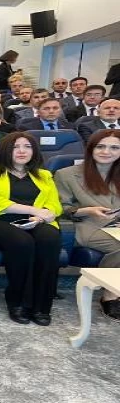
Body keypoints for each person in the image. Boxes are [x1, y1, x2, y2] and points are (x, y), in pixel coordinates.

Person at [0, 132, 62, 325]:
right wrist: (33, 210)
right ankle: (18, 302)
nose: (22, 151)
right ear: (4, 150)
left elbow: (54, 205)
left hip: (35, 221)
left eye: (27, 146)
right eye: (15, 147)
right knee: (21, 241)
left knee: (50, 238)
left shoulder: (44, 175)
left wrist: (41, 216)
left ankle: (42, 306)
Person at [56, 129, 120, 319]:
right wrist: (87, 210)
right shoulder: (67, 174)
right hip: (86, 224)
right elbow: (60, 207)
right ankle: (110, 294)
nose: (106, 152)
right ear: (91, 149)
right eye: (101, 146)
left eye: (114, 148)